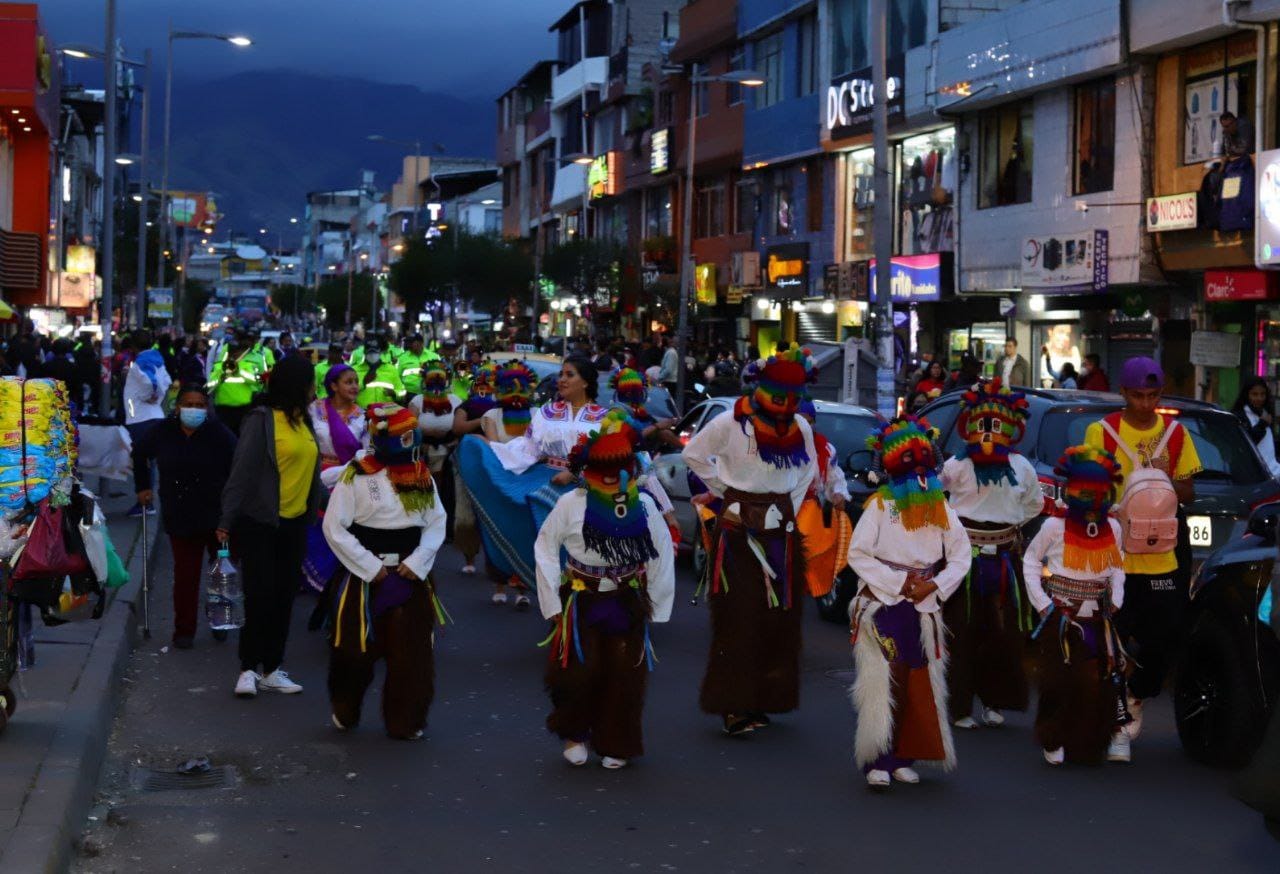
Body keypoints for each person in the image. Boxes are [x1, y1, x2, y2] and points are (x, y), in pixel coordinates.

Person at [682, 345, 818, 737]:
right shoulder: (729, 423)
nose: (785, 404)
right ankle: (732, 703)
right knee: (738, 617)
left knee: (780, 617)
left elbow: (808, 470)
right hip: (740, 532)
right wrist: (726, 490)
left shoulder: (801, 428)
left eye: (792, 398)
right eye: (779, 395)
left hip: (782, 533)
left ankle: (766, 698)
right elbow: (694, 455)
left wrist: (787, 504)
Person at [534, 411, 675, 768]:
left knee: (624, 672)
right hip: (581, 597)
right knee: (577, 672)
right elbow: (546, 547)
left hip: (626, 597)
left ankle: (617, 739)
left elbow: (661, 553)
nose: (613, 476)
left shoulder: (643, 506)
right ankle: (575, 733)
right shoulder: (570, 504)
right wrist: (551, 600)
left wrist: (657, 605)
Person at [1084, 356, 1200, 763]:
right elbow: (1089, 485)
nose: (1146, 404)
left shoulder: (1175, 433)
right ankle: (1116, 725)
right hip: (1115, 551)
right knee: (1111, 638)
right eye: (1138, 396)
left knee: (1167, 635)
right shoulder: (1101, 432)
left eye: (1153, 396)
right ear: (1124, 393)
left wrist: (1163, 479)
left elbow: (1189, 492)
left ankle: (1137, 693)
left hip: (1164, 554)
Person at [846, 416, 970, 789]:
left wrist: (933, 587)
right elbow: (858, 554)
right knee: (883, 678)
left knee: (918, 680)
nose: (918, 474)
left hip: (923, 605)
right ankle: (877, 759)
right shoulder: (880, 508)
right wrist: (900, 583)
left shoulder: (942, 509)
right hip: (885, 603)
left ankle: (903, 756)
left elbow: (962, 556)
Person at [323, 403, 448, 740]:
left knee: (412, 654)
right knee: (353, 649)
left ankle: (406, 720)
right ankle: (345, 708)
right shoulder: (357, 474)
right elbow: (335, 527)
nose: (412, 441)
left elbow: (437, 522)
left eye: (413, 435)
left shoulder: (420, 474)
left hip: (410, 572)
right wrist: (370, 567)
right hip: (366, 574)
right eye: (404, 436)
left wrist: (418, 560)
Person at [459, 358, 621, 612]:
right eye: (561, 374)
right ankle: (558, 612)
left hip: (590, 489)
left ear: (586, 382)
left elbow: (613, 457)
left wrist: (574, 471)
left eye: (570, 374)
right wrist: (490, 449)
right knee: (540, 541)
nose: (562, 379)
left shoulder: (606, 418)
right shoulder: (548, 412)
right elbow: (527, 450)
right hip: (548, 483)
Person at [217, 355, 323, 699]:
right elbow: (241, 472)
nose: (314, 389)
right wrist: (225, 520)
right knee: (260, 596)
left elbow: (312, 475)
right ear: (297, 384)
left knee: (283, 599)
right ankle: (248, 668)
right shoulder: (261, 420)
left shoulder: (304, 421)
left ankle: (272, 669)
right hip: (260, 523)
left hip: (295, 525)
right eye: (310, 382)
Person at [940, 379, 1043, 728]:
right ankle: (959, 706)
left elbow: (1034, 505)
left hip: (1003, 558)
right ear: (969, 426)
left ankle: (994, 701)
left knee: (1002, 634)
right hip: (964, 557)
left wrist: (1008, 528)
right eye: (982, 426)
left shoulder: (1022, 467)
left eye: (996, 427)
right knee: (961, 630)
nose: (988, 434)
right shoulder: (957, 464)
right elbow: (938, 496)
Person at [1023, 445, 1129, 766]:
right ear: (1071, 490)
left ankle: (1091, 740)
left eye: (1098, 492)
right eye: (1084, 491)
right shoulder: (1054, 527)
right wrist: (1042, 603)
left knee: (1098, 681)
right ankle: (1052, 737)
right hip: (1060, 615)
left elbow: (1118, 566)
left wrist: (1117, 599)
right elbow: (1030, 560)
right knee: (1057, 681)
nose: (1091, 498)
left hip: (1098, 616)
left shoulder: (1113, 528)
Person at [133, 384, 237, 649]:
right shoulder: (163, 431)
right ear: (177, 407)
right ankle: (184, 630)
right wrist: (143, 486)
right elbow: (139, 453)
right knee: (185, 576)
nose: (194, 409)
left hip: (217, 515)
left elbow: (237, 467)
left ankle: (219, 619)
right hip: (179, 513)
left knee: (220, 572)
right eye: (188, 404)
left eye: (200, 405)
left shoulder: (218, 433)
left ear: (207, 408)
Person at [303, 364, 369, 595]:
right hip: (315, 473)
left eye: (356, 381)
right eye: (348, 382)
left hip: (349, 476)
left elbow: (367, 451)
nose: (354, 386)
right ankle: (311, 577)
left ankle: (334, 579)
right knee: (315, 525)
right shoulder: (314, 410)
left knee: (340, 527)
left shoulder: (362, 416)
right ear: (333, 385)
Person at [451, 361, 498, 574]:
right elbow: (458, 427)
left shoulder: (502, 407)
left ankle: (497, 564)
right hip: (467, 462)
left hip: (494, 463)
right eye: (481, 382)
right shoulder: (466, 406)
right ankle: (469, 558)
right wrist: (482, 419)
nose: (484, 387)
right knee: (465, 511)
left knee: (492, 513)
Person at [123, 346, 173, 517]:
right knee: (150, 463)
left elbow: (149, 381)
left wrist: (150, 394)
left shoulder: (141, 362)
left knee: (142, 463)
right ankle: (148, 502)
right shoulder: (160, 363)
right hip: (154, 415)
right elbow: (166, 382)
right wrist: (157, 396)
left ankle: (145, 504)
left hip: (140, 418)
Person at [208, 330, 269, 435]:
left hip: (244, 408)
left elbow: (256, 381)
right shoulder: (218, 367)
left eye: (238, 352)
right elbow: (210, 386)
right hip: (223, 409)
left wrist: (239, 371)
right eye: (232, 353)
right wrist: (222, 373)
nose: (235, 355)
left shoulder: (247, 366)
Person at [1233, 376, 1280, 478]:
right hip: (1253, 477)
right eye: (1254, 394)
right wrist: (1262, 424)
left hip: (1274, 473)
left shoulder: (1266, 413)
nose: (1259, 398)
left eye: (1262, 394)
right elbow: (1246, 444)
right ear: (1247, 395)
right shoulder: (1240, 416)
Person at [353, 337, 404, 407]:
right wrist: (363, 383)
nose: (372, 355)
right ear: (364, 352)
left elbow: (402, 391)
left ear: (380, 352)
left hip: (387, 411)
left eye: (374, 352)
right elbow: (348, 394)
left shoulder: (391, 369)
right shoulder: (355, 370)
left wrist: (394, 393)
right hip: (363, 413)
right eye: (369, 352)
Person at [397, 333, 436, 398]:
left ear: (420, 343)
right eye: (408, 342)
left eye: (411, 342)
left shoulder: (433, 356)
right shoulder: (402, 358)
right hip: (409, 394)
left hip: (429, 393)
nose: (409, 345)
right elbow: (397, 376)